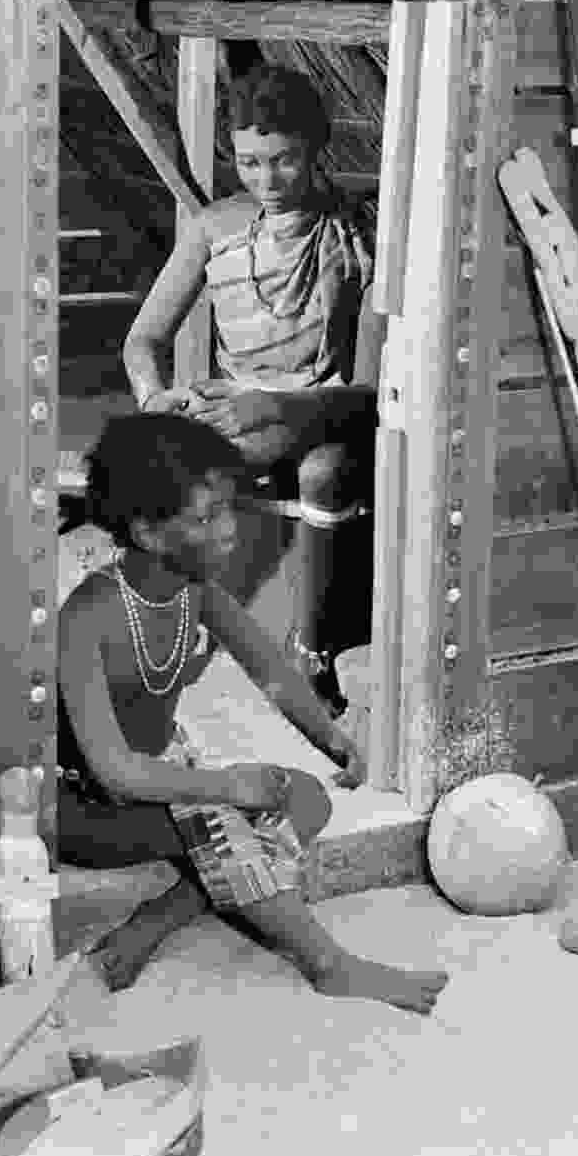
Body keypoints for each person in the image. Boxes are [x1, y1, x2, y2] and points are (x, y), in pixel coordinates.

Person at [57, 412, 449, 1015]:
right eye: (206, 518)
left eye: (229, 509)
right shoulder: (87, 615)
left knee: (306, 800)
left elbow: (271, 674)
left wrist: (334, 742)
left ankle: (151, 925)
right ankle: (329, 964)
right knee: (225, 822)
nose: (230, 531)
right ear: (148, 532)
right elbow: (115, 771)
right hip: (88, 808)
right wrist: (226, 785)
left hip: (163, 783)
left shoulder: (196, 593)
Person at [122, 63, 381, 714]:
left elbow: (371, 392)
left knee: (325, 471)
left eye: (284, 160)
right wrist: (155, 399)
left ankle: (313, 653)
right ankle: (166, 634)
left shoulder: (355, 232)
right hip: (237, 411)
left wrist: (277, 404)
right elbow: (142, 341)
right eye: (250, 162)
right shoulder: (215, 228)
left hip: (321, 410)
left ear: (316, 148)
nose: (267, 179)